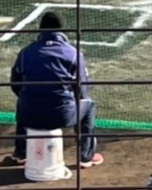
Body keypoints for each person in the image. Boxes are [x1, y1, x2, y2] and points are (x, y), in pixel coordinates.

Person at [9, 10, 103, 168]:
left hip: (30, 116)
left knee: (23, 101)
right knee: (89, 105)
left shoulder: (26, 52)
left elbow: (15, 84)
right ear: (62, 31)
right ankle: (86, 157)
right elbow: (83, 90)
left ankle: (21, 153)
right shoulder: (73, 53)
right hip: (62, 116)